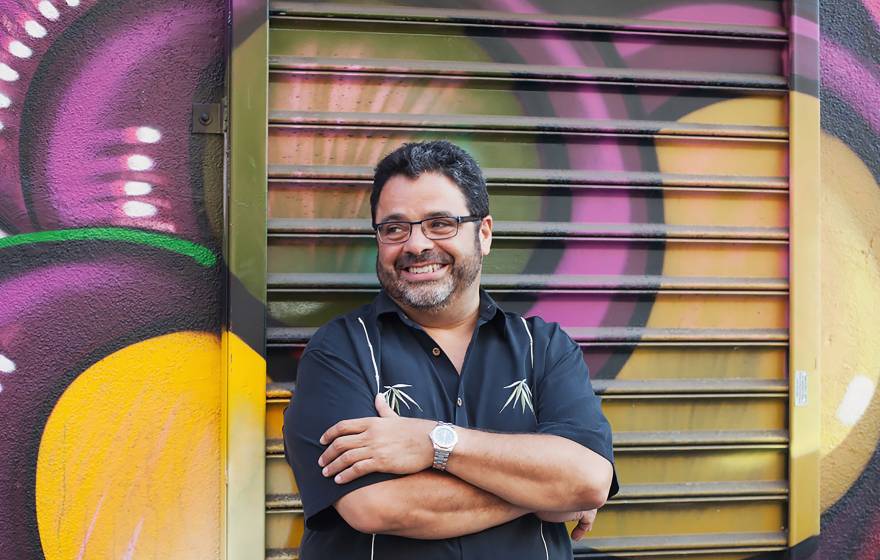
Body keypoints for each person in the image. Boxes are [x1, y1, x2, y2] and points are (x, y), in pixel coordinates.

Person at [284, 140, 618, 559]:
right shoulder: (340, 353)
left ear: (484, 233)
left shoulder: (546, 349)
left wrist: (434, 443)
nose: (416, 245)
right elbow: (377, 506)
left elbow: (588, 480)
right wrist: (546, 492)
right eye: (394, 227)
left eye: (440, 223)